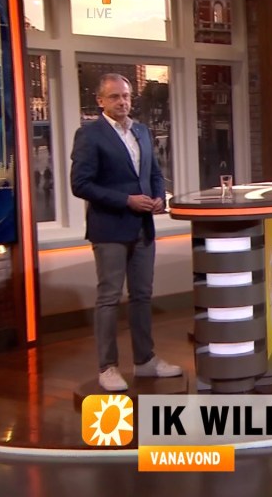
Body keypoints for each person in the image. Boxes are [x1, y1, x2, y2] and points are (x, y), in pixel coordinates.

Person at [69, 73, 182, 392]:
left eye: (127, 96)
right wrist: (126, 200)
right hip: (109, 229)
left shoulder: (142, 131)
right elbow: (80, 184)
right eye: (115, 96)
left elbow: (155, 173)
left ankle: (145, 360)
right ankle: (107, 367)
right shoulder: (89, 134)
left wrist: (158, 197)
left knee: (142, 295)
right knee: (109, 298)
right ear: (100, 100)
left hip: (143, 228)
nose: (122, 102)